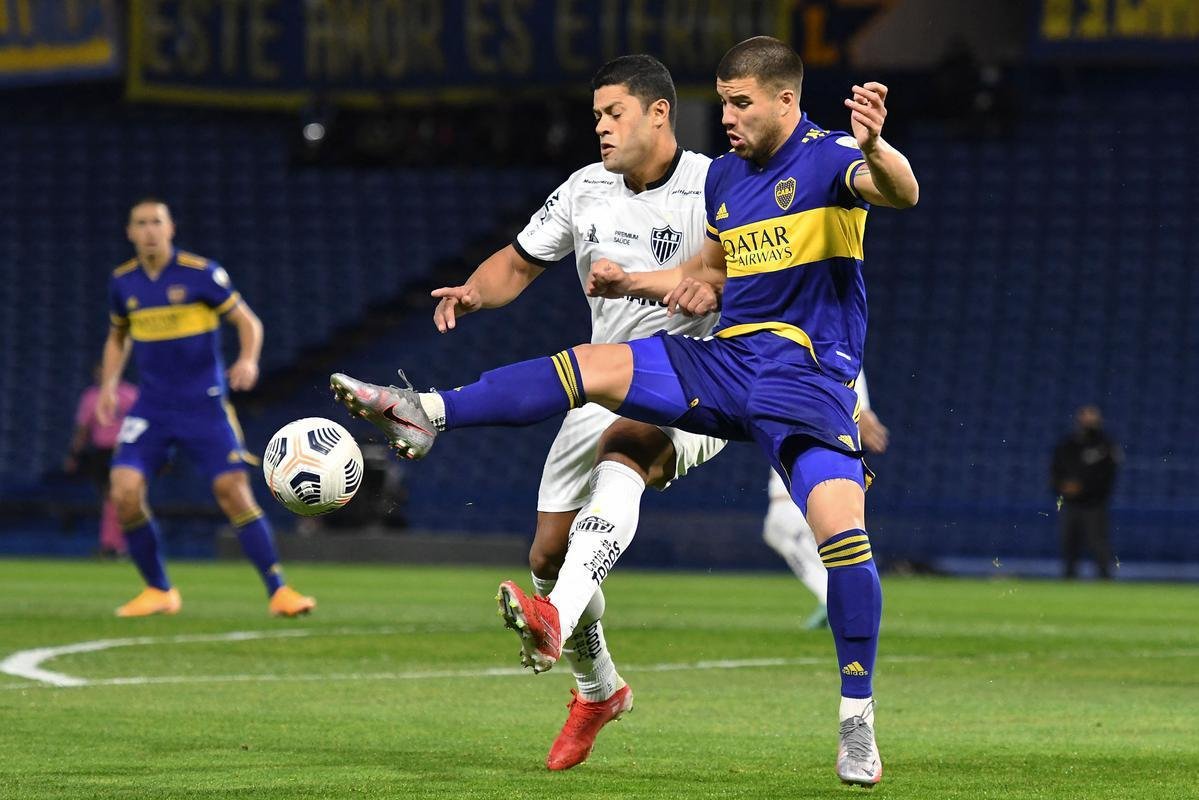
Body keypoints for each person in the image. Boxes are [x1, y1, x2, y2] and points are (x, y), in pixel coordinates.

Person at [331, 35, 918, 787]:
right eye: (724, 100)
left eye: (740, 102)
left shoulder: (832, 154)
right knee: (586, 376)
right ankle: (429, 414)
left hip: (805, 381)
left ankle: (855, 721)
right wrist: (642, 285)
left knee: (842, 540)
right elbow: (706, 274)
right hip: (727, 364)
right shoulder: (727, 182)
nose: (729, 115)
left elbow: (897, 191)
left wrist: (877, 146)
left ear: (784, 99)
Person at [420, 55, 725, 770]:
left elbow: (728, 273)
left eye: (612, 113)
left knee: (629, 445)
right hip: (599, 377)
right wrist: (473, 291)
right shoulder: (585, 189)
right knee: (547, 558)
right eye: (595, 116)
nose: (599, 127)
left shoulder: (714, 184)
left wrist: (687, 288)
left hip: (696, 380)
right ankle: (598, 690)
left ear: (658, 113)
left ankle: (553, 618)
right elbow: (519, 262)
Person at [101, 198, 315, 617]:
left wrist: (248, 359)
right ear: (129, 232)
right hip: (152, 407)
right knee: (123, 492)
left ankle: (278, 590)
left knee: (231, 491)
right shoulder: (122, 283)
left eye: (156, 222)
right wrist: (109, 385)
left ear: (171, 228)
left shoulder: (202, 274)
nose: (148, 230)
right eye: (140, 223)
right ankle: (159, 590)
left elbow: (248, 322)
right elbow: (117, 336)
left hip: (204, 405)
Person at [762, 371, 888, 630]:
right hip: (805, 413)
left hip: (815, 421)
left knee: (784, 523)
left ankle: (839, 601)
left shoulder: (822, 340)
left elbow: (842, 355)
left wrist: (858, 406)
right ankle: (843, 597)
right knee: (790, 527)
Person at [65, 365, 139, 556]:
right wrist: (74, 453)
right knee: (110, 498)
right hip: (102, 452)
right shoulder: (91, 396)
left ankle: (118, 544)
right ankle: (113, 544)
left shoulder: (130, 393)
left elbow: (140, 423)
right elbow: (83, 429)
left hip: (125, 450)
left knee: (122, 497)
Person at [1050, 405, 1122, 579]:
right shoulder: (1068, 444)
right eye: (1085, 417)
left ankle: (1105, 579)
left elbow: (1108, 475)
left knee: (1098, 543)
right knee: (1069, 544)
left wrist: (1083, 487)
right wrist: (1062, 487)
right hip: (1070, 503)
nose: (1088, 421)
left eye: (1092, 417)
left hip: (1094, 504)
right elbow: (1055, 471)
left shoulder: (1106, 445)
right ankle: (1069, 577)